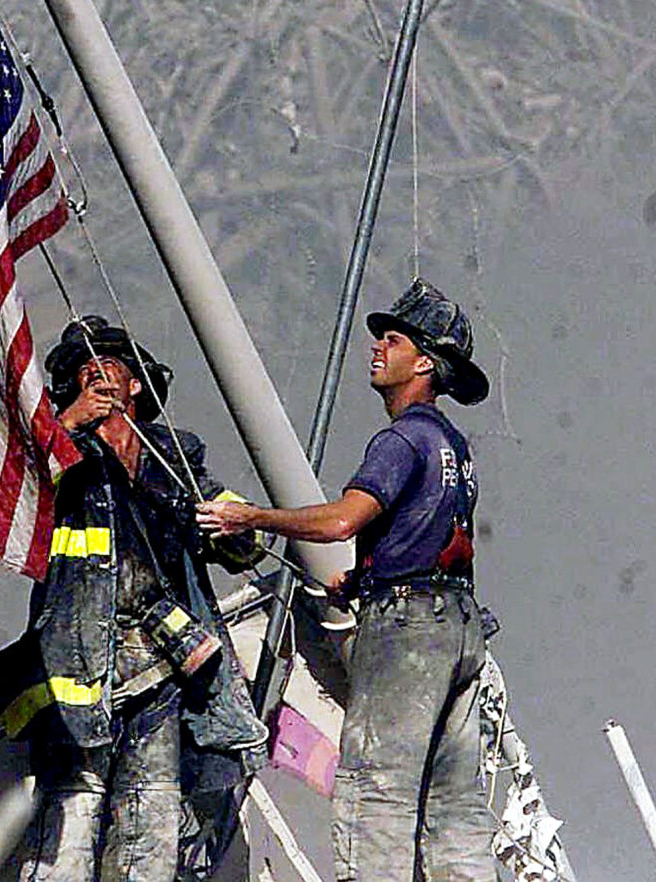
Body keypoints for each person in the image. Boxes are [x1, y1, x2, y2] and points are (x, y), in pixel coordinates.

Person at [197, 279, 497, 881]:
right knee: (455, 811)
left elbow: (340, 521)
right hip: (458, 628)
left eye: (393, 339)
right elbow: (430, 533)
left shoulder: (403, 436)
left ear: (425, 362)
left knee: (375, 794)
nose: (377, 348)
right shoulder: (453, 446)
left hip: (408, 632)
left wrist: (248, 515)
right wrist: (364, 579)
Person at [0, 316, 269, 882]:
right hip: (75, 670)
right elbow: (13, 502)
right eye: (78, 373)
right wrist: (65, 426)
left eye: (106, 365)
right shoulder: (57, 453)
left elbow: (246, 546)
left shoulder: (176, 459)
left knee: (151, 824)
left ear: (136, 384)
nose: (92, 375)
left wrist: (237, 527)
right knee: (66, 830)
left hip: (161, 670)